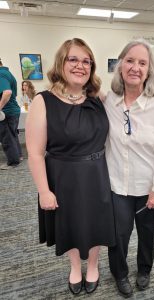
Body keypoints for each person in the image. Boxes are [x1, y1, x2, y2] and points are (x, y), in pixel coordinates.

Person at [25, 38, 115, 295]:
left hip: (98, 173)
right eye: (73, 59)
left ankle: (94, 265)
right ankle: (75, 267)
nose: (80, 66)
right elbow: (34, 152)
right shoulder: (43, 101)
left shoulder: (98, 96)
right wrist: (44, 190)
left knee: (97, 222)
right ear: (61, 63)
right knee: (72, 223)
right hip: (63, 176)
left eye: (86, 61)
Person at [104, 39, 154, 298]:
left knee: (147, 233)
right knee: (118, 236)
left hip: (148, 187)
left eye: (142, 63)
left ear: (149, 71)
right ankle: (120, 274)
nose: (135, 67)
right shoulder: (108, 101)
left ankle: (144, 269)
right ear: (121, 65)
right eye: (130, 60)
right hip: (117, 186)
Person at [0, 58, 23, 170]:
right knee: (13, 134)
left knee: (6, 137)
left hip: (6, 112)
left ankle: (13, 162)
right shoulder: (7, 73)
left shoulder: (1, 74)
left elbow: (7, 92)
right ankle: (18, 156)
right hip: (13, 110)